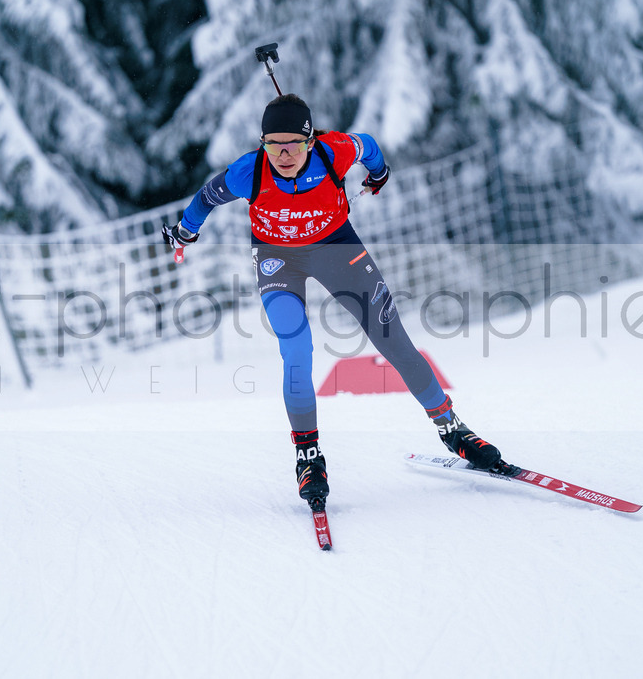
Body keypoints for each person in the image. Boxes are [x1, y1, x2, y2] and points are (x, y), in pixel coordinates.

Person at [163, 94, 519, 509]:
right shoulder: (250, 171)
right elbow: (206, 197)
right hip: (279, 261)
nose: (283, 154)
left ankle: (452, 428)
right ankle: (308, 457)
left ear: (310, 141)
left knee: (393, 340)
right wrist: (187, 231)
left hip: (337, 249)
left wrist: (379, 173)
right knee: (296, 350)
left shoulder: (335, 151)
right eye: (273, 144)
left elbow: (368, 144)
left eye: (293, 144)